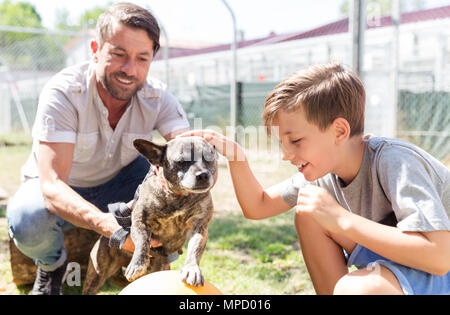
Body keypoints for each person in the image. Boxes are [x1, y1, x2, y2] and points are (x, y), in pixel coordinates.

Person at [178, 63, 450, 295]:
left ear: (339, 131)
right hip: (407, 265)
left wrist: (342, 219)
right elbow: (258, 206)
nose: (286, 155)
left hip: (441, 267)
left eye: (295, 141)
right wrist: (236, 155)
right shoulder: (323, 172)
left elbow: (439, 257)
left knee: (355, 289)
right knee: (308, 213)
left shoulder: (395, 161)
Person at [6, 2, 190, 295]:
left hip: (122, 183)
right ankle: (51, 267)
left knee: (177, 189)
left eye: (142, 58)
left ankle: (148, 266)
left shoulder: (159, 97)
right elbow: (53, 185)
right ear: (96, 48)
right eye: (119, 54)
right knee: (27, 218)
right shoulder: (65, 92)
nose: (130, 69)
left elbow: (187, 153)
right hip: (62, 185)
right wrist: (111, 228)